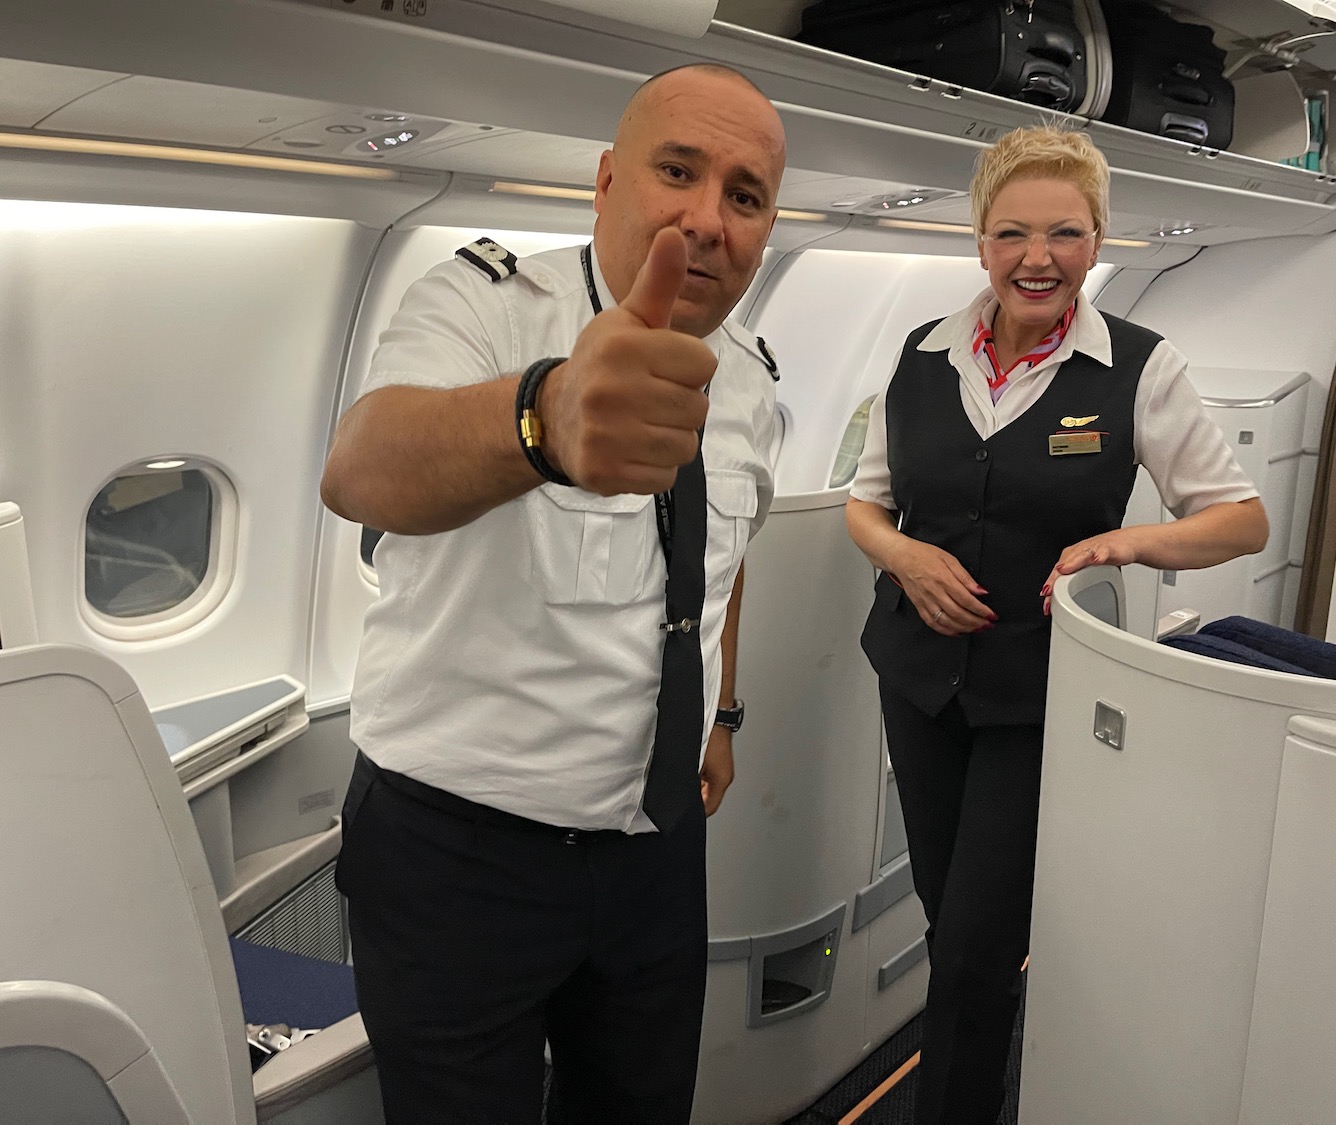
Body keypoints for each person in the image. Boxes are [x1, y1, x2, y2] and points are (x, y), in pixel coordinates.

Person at [319, 63, 785, 1125]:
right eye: (679, 172)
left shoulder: (752, 374)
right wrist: (544, 419)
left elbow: (726, 555)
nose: (708, 219)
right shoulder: (479, 303)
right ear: (609, 181)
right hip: (458, 857)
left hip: (653, 846)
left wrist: (719, 713)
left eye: (745, 196)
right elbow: (361, 469)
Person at [845, 125, 1269, 1123]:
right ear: (980, 241)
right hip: (917, 680)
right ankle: (989, 1075)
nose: (1038, 257)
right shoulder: (918, 355)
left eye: (1065, 233)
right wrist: (904, 553)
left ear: (1099, 239)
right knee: (952, 921)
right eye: (1013, 233)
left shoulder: (1140, 368)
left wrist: (1124, 546)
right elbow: (868, 504)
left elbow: (1240, 520)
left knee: (983, 937)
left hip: (1037, 691)